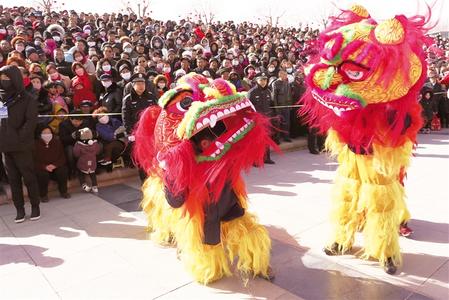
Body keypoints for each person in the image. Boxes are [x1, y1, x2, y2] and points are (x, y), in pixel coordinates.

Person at [0, 65, 40, 223]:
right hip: (5, 147)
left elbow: (31, 122)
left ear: (15, 79)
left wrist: (18, 137)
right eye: (1, 79)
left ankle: (35, 206)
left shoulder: (27, 98)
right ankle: (20, 209)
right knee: (13, 180)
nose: (4, 82)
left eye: (7, 78)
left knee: (29, 177)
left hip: (22, 146)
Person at [122, 72, 158, 181]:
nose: (141, 85)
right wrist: (129, 133)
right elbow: (125, 118)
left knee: (154, 155)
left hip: (151, 132)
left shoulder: (151, 97)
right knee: (142, 158)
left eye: (143, 83)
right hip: (138, 133)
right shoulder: (128, 99)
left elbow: (157, 113)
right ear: (133, 85)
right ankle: (145, 181)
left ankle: (155, 178)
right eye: (138, 83)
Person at [34, 124, 70, 202]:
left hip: (55, 167)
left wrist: (55, 165)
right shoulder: (35, 144)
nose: (47, 135)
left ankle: (63, 191)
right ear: (39, 134)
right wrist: (44, 167)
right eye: (44, 133)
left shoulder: (57, 142)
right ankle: (43, 195)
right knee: (42, 174)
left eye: (49, 133)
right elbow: (33, 161)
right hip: (42, 168)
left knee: (63, 171)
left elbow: (62, 157)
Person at [247, 72, 275, 164]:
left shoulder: (268, 91)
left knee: (266, 139)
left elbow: (270, 105)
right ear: (256, 81)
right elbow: (248, 109)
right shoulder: (252, 92)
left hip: (266, 119)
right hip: (256, 121)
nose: (263, 82)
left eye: (265, 80)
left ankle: (266, 158)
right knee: (257, 141)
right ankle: (255, 160)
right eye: (261, 80)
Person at [73, 127, 100, 193]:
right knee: (92, 174)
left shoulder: (79, 145)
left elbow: (76, 153)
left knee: (81, 173)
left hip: (83, 162)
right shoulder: (95, 144)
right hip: (92, 161)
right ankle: (95, 186)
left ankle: (84, 185)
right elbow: (97, 151)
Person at [272, 69, 292, 142]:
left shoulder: (287, 83)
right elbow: (274, 96)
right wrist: (276, 107)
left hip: (286, 106)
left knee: (287, 122)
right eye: (284, 74)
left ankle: (286, 137)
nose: (286, 76)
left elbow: (289, 94)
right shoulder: (275, 83)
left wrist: (290, 105)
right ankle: (277, 138)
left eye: (286, 75)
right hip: (279, 106)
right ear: (280, 75)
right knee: (278, 123)